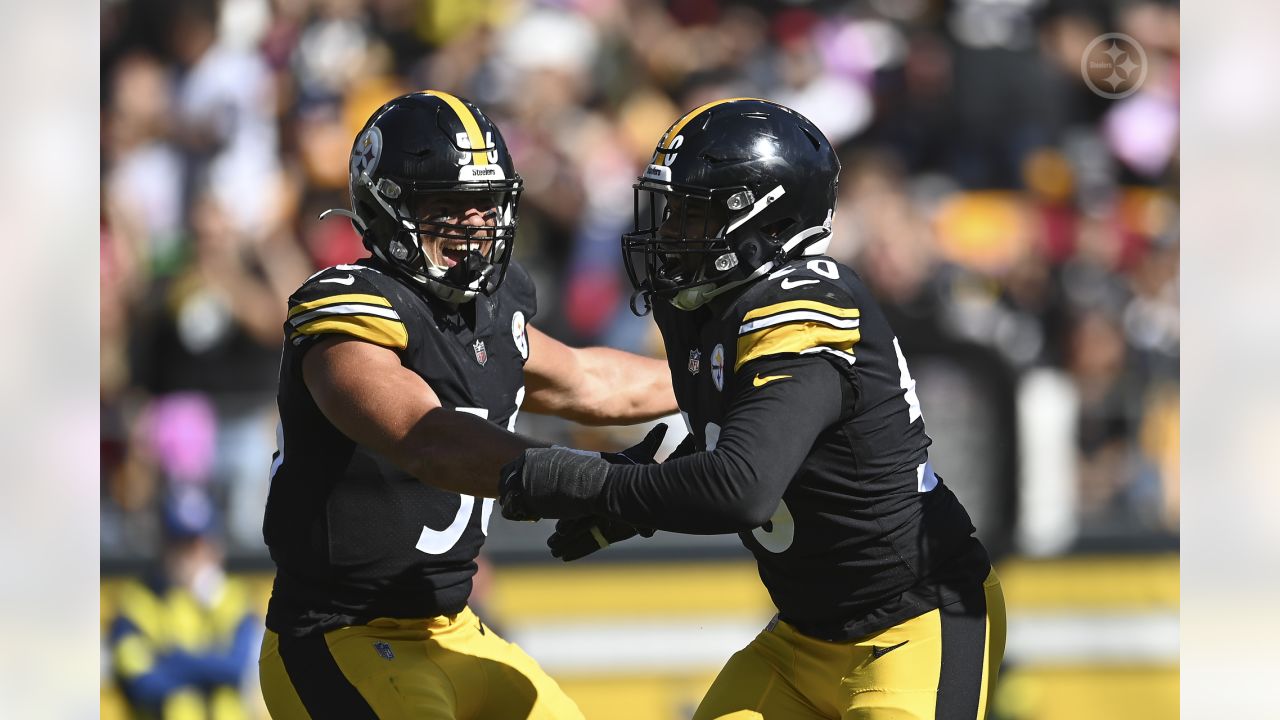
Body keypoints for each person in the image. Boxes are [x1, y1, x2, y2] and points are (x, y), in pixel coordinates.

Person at [500, 98, 1007, 720]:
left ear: (762, 221)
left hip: (912, 626)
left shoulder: (803, 309)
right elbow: (735, 432)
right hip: (802, 636)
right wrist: (641, 481)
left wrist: (596, 484)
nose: (667, 234)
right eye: (669, 210)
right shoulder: (705, 306)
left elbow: (743, 486)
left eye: (691, 215)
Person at [257, 90, 676, 719]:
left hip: (456, 627)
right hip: (344, 636)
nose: (474, 226)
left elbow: (590, 380)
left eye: (485, 205)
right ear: (388, 208)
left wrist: (728, 372)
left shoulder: (489, 313)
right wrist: (593, 483)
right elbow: (427, 438)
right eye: (447, 207)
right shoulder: (349, 316)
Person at [107, 487, 260, 720]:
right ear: (164, 546)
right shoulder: (136, 602)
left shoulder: (234, 598)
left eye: (198, 544)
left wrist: (172, 659)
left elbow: (237, 668)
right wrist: (210, 665)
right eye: (181, 544)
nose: (191, 556)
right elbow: (142, 682)